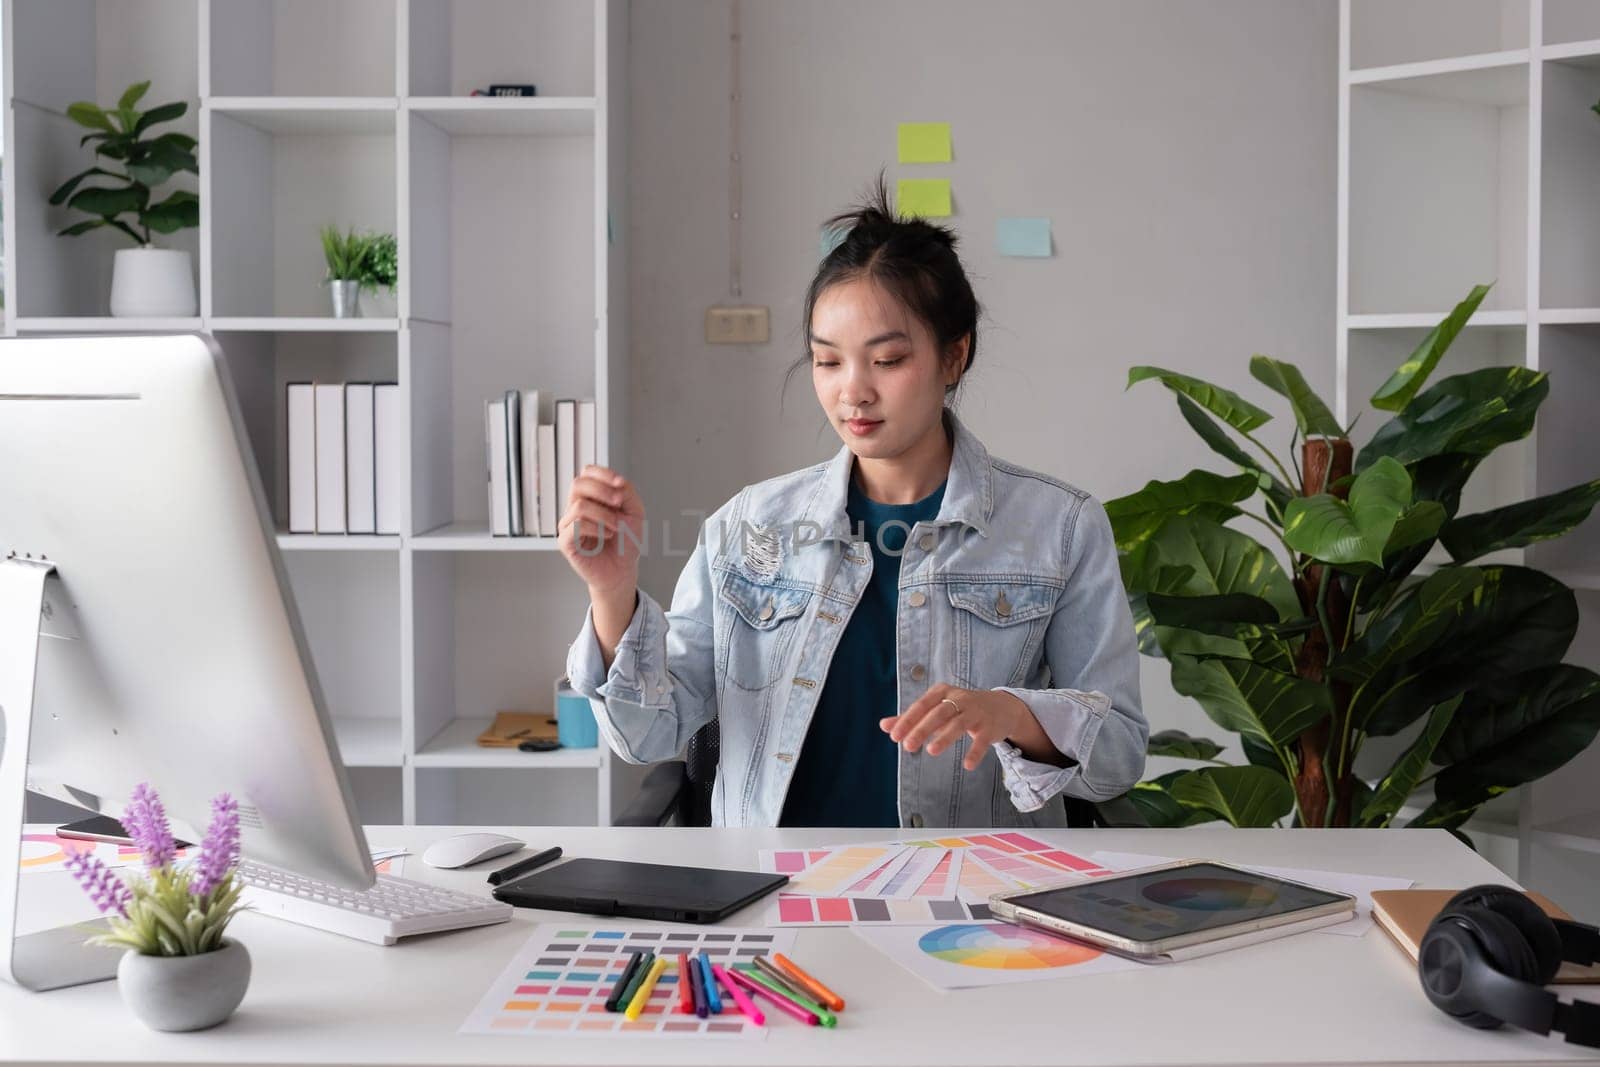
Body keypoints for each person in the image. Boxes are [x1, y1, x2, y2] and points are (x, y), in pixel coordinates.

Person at [560, 176, 1146, 829]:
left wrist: (1015, 714)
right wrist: (612, 596)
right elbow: (647, 733)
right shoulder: (747, 526)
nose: (853, 392)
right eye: (828, 362)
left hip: (973, 899)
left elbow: (1118, 755)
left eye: (887, 360)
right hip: (774, 893)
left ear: (955, 356)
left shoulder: (1059, 528)